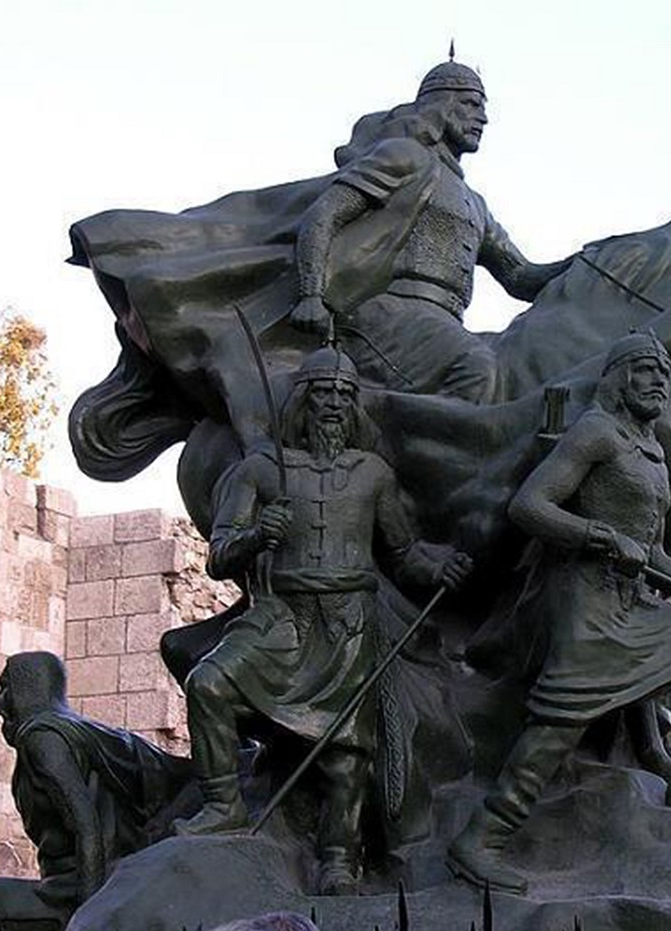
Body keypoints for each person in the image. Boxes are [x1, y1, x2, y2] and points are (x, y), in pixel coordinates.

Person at [445, 332, 671, 894]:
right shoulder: (595, 432)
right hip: (583, 603)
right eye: (645, 370)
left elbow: (654, 553)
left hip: (632, 602)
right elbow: (530, 506)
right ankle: (482, 840)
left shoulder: (651, 452)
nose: (658, 381)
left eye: (663, 372)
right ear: (619, 379)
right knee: (559, 724)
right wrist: (599, 536)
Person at [171, 346, 472, 895]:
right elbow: (218, 557)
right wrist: (256, 536)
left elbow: (402, 554)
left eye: (343, 395)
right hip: (281, 615)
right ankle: (222, 805)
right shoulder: (261, 470)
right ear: (302, 402)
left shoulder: (372, 474)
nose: (333, 404)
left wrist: (439, 568)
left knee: (345, 750)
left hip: (348, 619)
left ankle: (340, 858)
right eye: (323, 393)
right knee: (209, 684)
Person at [287, 56, 573, 403]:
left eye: (483, 108)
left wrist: (591, 260)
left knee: (509, 370)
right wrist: (311, 294)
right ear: (441, 104)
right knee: (476, 367)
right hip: (385, 313)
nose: (483, 118)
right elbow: (325, 215)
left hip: (442, 323)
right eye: (471, 104)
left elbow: (520, 276)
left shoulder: (475, 203)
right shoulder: (403, 156)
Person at [0, 652, 191, 931]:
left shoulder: (43, 737)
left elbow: (87, 829)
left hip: (77, 894)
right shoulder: (79, 731)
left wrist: (89, 918)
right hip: (97, 888)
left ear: (28, 689)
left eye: (6, 687)